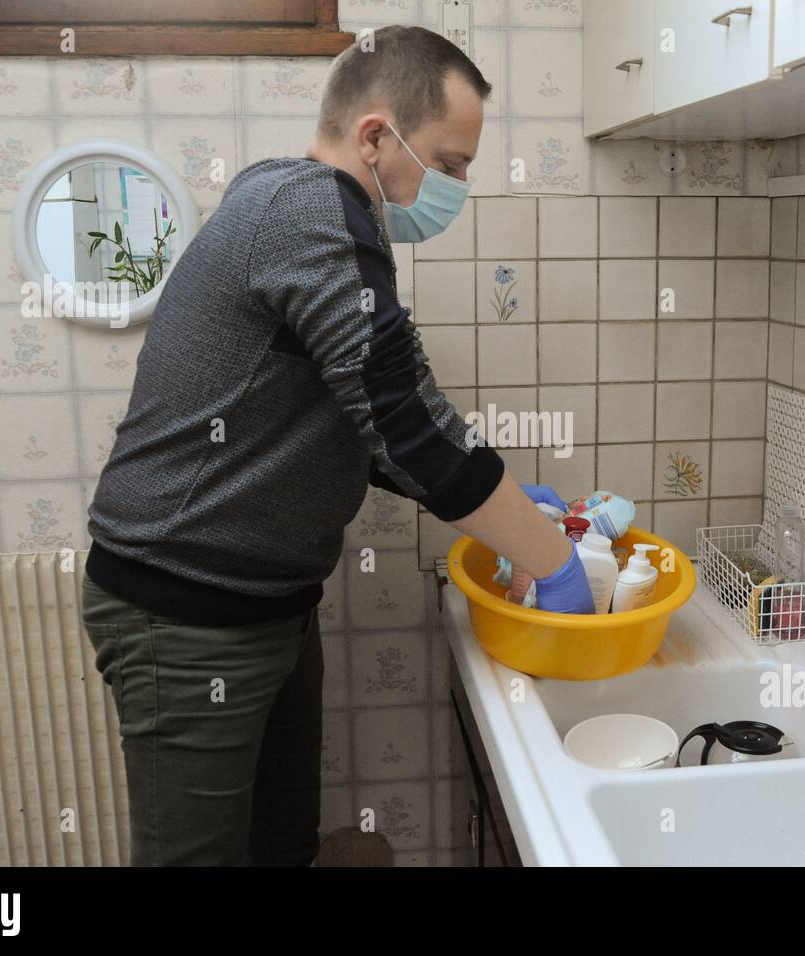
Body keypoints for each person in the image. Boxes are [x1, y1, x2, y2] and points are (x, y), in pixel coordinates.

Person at [79, 24, 594, 867]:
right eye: (451, 162)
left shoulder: (302, 205)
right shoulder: (311, 211)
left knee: (280, 848)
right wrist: (551, 560)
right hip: (184, 606)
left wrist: (509, 512)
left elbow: (367, 422)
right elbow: (406, 418)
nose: (458, 185)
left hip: (265, 600)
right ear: (375, 136)